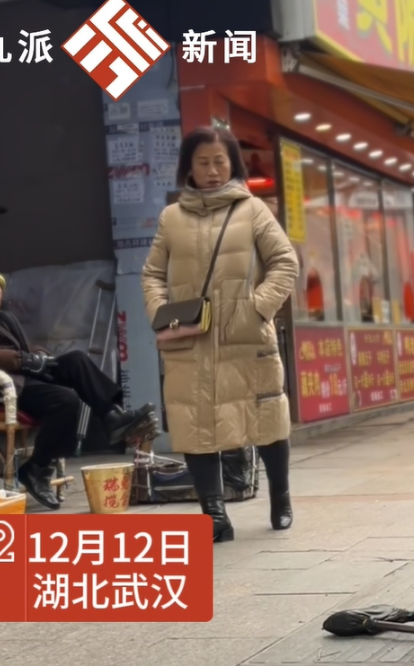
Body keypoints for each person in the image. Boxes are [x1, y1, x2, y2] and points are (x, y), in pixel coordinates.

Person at [141, 127, 299, 542]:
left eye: (219, 162)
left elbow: (285, 262)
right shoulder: (171, 217)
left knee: (267, 420)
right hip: (188, 338)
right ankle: (213, 513)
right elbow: (153, 274)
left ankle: (280, 498)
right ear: (188, 167)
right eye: (203, 162)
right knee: (194, 425)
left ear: (232, 164)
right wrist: (162, 313)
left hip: (244, 337)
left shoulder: (254, 210)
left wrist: (256, 308)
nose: (212, 171)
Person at [0, 262, 156, 509]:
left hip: (20, 374)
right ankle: (37, 468)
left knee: (76, 361)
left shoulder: (1, 316)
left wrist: (39, 356)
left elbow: (24, 347)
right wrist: (23, 360)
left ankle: (112, 417)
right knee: (65, 400)